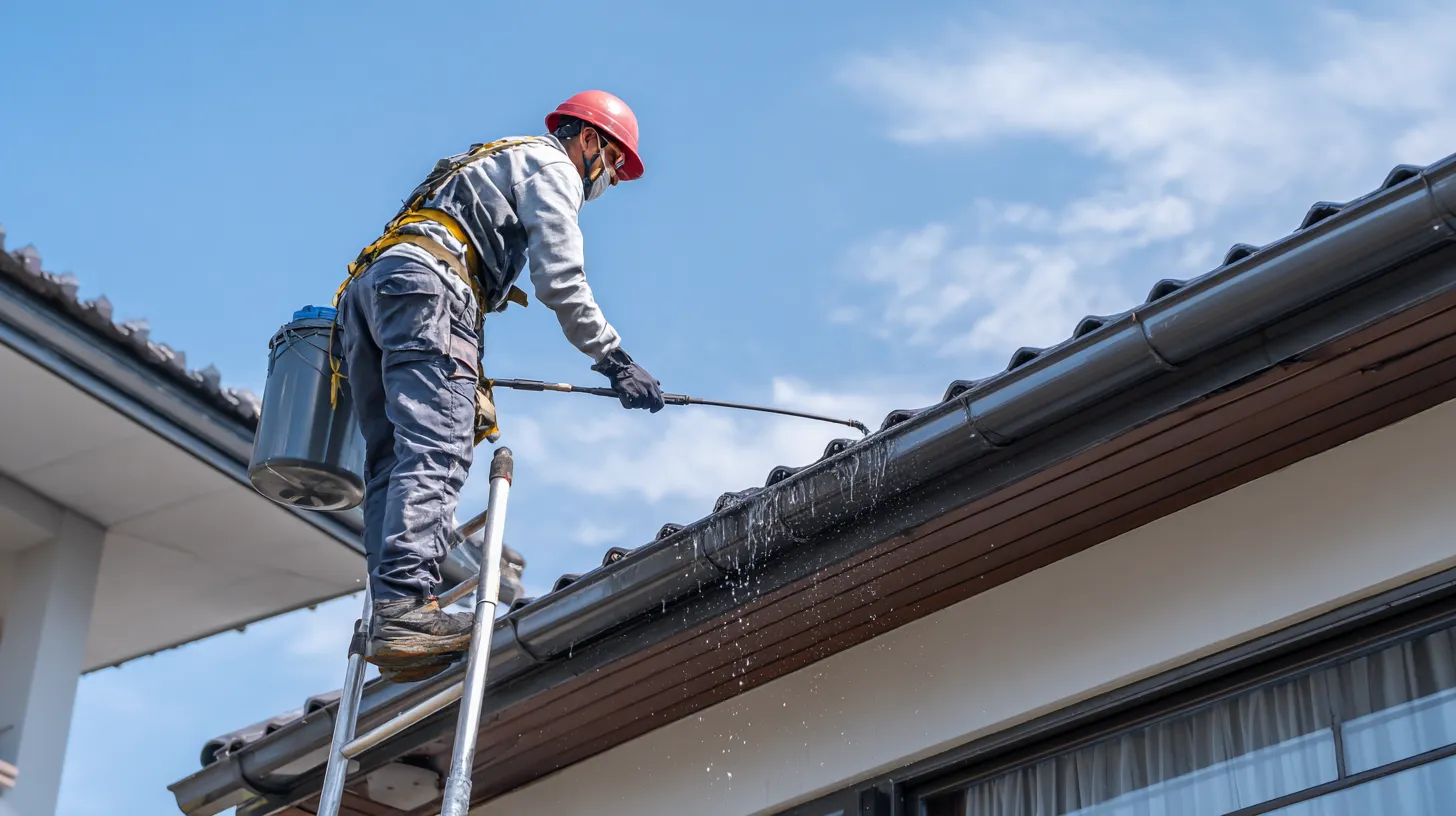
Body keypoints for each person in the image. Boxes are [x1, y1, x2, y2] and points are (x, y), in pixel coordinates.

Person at [335, 90, 664, 678]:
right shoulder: (554, 165)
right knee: (437, 445)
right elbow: (560, 277)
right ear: (588, 139)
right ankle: (410, 609)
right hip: (429, 289)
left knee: (394, 461)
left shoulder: (501, 157)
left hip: (375, 291)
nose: (606, 183)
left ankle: (394, 612)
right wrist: (614, 358)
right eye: (612, 167)